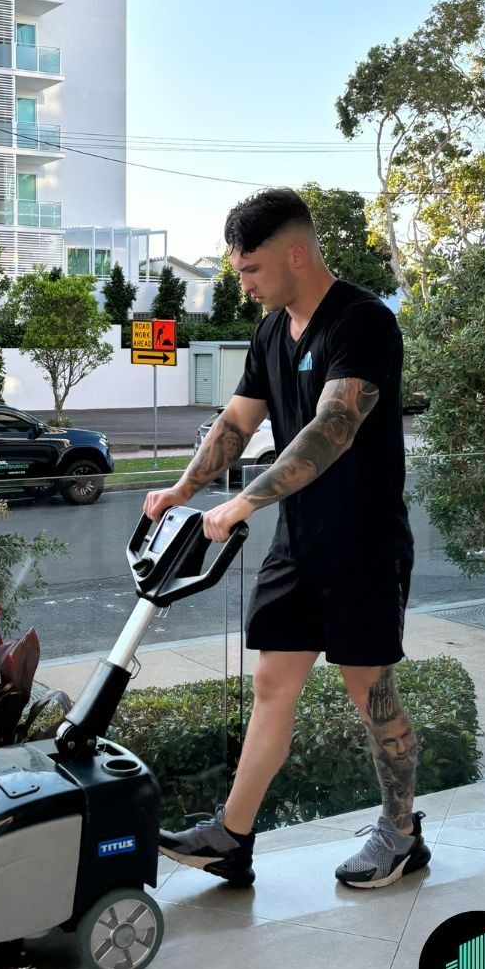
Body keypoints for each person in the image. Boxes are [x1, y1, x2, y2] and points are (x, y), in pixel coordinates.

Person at [147, 188, 428, 890]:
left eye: (251, 271)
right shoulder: (272, 332)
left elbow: (330, 431)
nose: (243, 286)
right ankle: (232, 838)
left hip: (363, 546)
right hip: (300, 543)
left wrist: (242, 501)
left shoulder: (362, 323)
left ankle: (401, 833)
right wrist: (185, 489)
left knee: (371, 693)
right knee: (274, 682)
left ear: (295, 255)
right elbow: (237, 423)